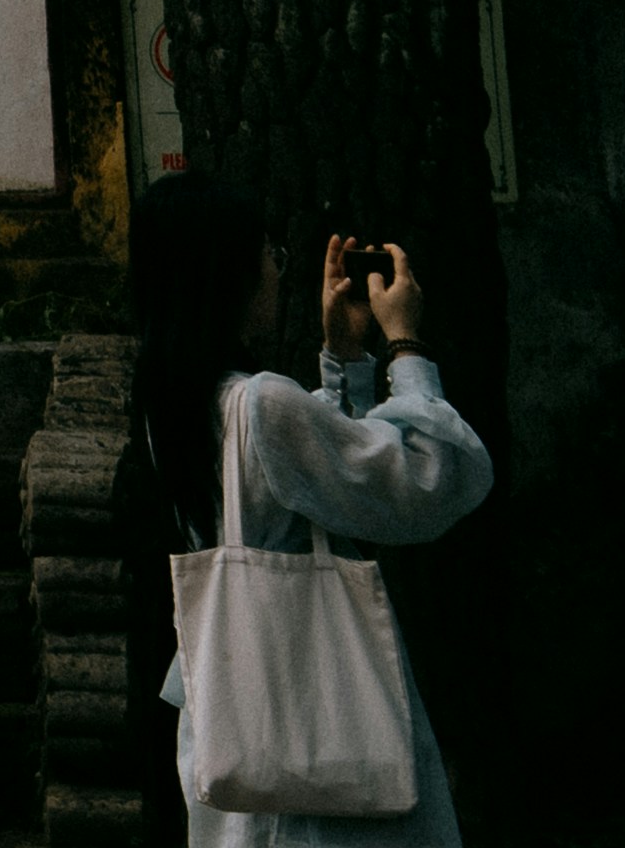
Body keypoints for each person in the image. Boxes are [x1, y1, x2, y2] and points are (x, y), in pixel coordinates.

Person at [135, 178, 497, 848]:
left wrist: (343, 360)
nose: (278, 266)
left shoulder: (177, 406)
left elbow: (305, 484)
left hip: (234, 721)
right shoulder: (263, 405)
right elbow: (425, 482)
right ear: (232, 273)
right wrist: (406, 348)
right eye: (266, 250)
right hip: (316, 729)